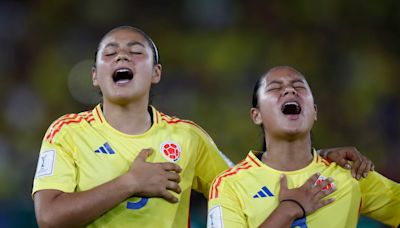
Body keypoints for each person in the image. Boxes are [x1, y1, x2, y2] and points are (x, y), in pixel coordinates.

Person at [32, 26, 374, 228]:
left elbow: (245, 189)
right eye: (110, 53)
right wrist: (130, 182)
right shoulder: (66, 132)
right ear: (95, 75)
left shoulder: (187, 137)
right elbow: (48, 217)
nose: (122, 57)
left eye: (136, 52)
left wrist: (315, 157)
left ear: (156, 73)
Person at [207, 66, 400, 228]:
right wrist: (289, 209)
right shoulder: (230, 185)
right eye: (275, 87)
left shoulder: (350, 174)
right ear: (256, 115)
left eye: (299, 86)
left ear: (314, 111)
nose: (290, 91)